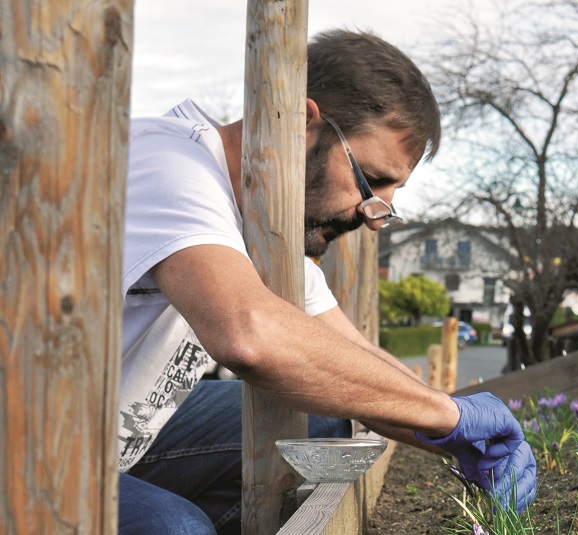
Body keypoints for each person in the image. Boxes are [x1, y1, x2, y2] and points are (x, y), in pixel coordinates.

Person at [118, 29, 536, 534]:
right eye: (372, 179)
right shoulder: (171, 165)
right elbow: (248, 335)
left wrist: (455, 430)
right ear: (301, 124)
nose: (376, 216)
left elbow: (353, 360)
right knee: (174, 528)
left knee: (323, 423)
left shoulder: (265, 226)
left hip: (112, 435)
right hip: (29, 438)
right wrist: (445, 415)